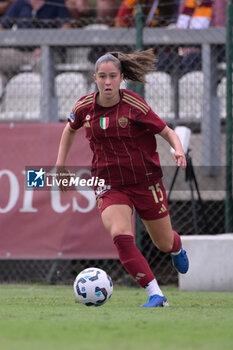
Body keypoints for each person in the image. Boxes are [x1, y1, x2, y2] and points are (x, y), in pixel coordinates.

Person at [55, 49, 189, 308]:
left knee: (163, 243)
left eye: (112, 76)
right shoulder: (84, 107)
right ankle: (156, 294)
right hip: (108, 183)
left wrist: (178, 148)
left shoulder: (134, 105)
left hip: (145, 181)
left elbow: (167, 131)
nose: (107, 82)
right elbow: (68, 130)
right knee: (120, 233)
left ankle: (177, 247)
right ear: (95, 77)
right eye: (102, 76)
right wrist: (60, 165)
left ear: (121, 78)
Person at [0, 0, 71, 76]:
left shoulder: (57, 3)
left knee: (42, 62)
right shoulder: (20, 3)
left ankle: (41, 87)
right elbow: (2, 26)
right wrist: (11, 41)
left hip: (47, 53)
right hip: (21, 53)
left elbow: (66, 28)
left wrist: (46, 47)